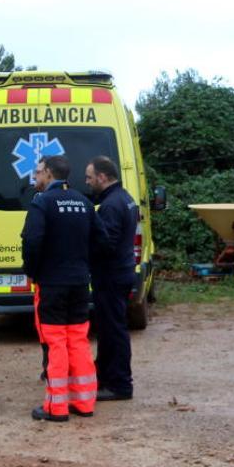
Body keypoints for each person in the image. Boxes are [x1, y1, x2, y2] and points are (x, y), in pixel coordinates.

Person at [22, 155, 102, 421]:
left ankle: (56, 408)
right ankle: (84, 403)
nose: (35, 177)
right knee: (78, 340)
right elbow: (101, 241)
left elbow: (32, 242)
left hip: (52, 284)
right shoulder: (84, 202)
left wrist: (32, 272)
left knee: (55, 342)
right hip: (80, 282)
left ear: (49, 173)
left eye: (38, 172)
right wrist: (83, 265)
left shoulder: (42, 202)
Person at [86, 155, 138, 402]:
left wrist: (83, 250)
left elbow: (106, 244)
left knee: (113, 330)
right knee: (111, 329)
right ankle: (107, 378)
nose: (87, 182)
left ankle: (119, 385)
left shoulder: (111, 205)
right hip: (122, 272)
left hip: (111, 276)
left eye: (89, 177)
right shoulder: (125, 198)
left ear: (102, 177)